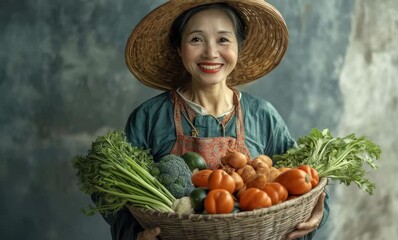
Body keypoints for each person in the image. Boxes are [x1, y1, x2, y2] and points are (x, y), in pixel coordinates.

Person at [104, 1, 329, 239]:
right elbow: (110, 190)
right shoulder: (150, 117)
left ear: (239, 48)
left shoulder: (262, 115)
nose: (211, 52)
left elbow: (306, 181)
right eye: (196, 39)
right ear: (179, 48)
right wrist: (134, 235)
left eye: (223, 40)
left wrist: (317, 214)